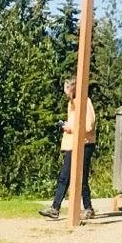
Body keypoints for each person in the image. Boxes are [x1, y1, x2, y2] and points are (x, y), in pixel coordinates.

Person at [39, 77, 96, 219]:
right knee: (65, 176)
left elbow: (89, 125)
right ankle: (56, 208)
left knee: (80, 177)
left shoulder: (85, 102)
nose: (66, 93)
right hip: (72, 144)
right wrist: (66, 127)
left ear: (74, 89)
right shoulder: (72, 104)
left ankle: (86, 208)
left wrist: (71, 129)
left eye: (67, 90)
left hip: (84, 143)